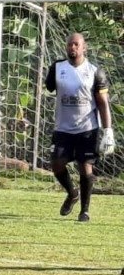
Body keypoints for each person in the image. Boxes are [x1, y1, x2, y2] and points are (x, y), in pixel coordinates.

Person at [44, 32, 113, 222]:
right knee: (56, 163)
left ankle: (85, 211)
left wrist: (108, 131)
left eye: (76, 44)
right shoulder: (57, 68)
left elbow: (103, 103)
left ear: (84, 48)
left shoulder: (95, 71)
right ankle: (72, 193)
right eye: (69, 45)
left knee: (85, 168)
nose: (72, 47)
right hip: (63, 128)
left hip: (87, 129)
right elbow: (49, 87)